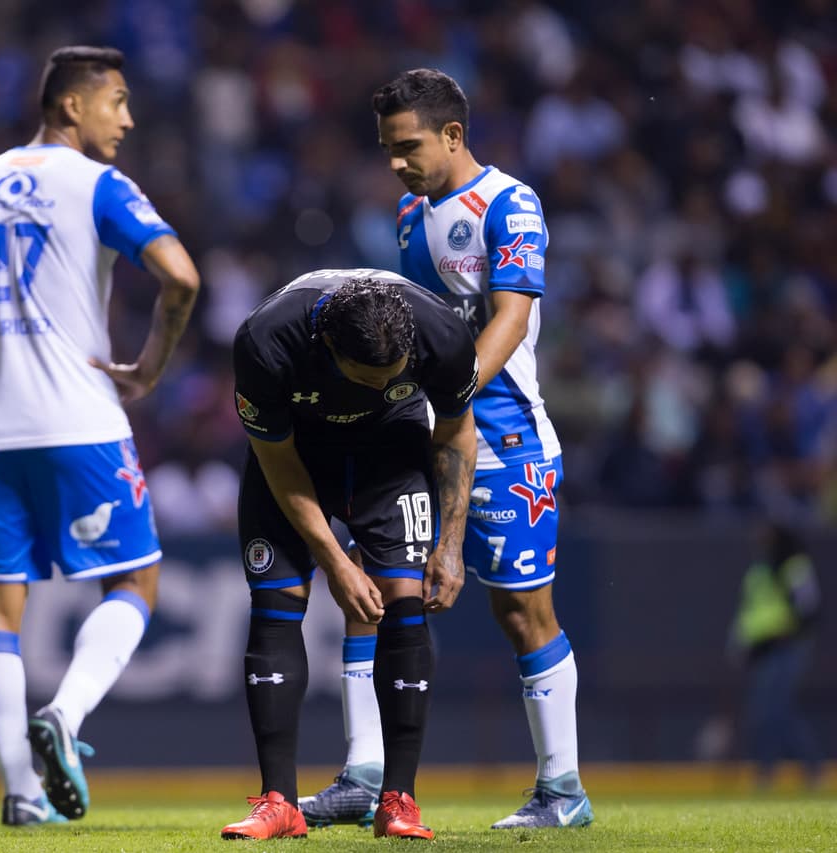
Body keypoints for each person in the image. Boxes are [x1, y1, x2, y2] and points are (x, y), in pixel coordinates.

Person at [299, 68, 593, 830]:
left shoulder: (510, 202)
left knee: (523, 612)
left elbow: (511, 318)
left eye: (407, 147)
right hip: (415, 433)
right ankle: (364, 773)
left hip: (502, 439)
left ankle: (563, 790)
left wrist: (449, 391)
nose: (396, 163)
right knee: (367, 591)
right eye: (387, 150)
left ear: (453, 135)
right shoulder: (406, 213)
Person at [0, 46, 200, 827]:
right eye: (116, 100)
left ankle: (19, 790)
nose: (128, 117)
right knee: (134, 584)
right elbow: (180, 276)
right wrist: (149, 367)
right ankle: (66, 716)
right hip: (81, 421)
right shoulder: (98, 185)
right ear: (71, 107)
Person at [221, 271, 479, 840]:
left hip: (390, 450)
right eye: (364, 378)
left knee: (402, 598)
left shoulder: (441, 335)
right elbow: (278, 460)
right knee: (277, 598)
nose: (373, 387)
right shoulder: (266, 341)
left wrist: (451, 543)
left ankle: (399, 801)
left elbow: (458, 432)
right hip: (294, 455)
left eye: (389, 378)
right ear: (329, 347)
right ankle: (279, 803)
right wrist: (336, 560)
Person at [732, 520, 823, 788]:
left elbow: (808, 606)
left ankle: (797, 768)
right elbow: (749, 610)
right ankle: (774, 769)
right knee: (767, 711)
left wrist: (791, 632)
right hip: (763, 650)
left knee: (775, 710)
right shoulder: (759, 569)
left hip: (787, 646)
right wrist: (741, 643)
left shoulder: (795, 565)